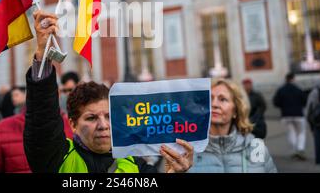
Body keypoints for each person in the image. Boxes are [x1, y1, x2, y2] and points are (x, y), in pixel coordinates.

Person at [23, 10, 194, 173]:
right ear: (73, 124)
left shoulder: (136, 165)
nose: (103, 126)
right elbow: (42, 121)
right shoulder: (58, 158)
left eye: (109, 116)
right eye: (91, 117)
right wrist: (43, 55)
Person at [189, 79, 277, 173]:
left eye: (222, 99)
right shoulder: (189, 150)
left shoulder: (256, 147)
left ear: (236, 110)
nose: (214, 104)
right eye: (210, 99)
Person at [273, 73, 307, 160]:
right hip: (298, 114)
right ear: (293, 79)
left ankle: (294, 150)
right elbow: (304, 100)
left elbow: (276, 102)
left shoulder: (281, 90)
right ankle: (300, 149)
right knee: (301, 132)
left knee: (291, 132)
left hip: (286, 115)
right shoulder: (298, 89)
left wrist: (283, 106)